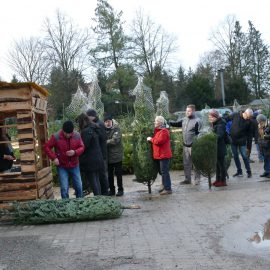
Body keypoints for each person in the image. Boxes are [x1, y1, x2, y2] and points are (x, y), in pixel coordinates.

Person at [44, 120, 84, 199]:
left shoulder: (77, 135)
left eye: (70, 133)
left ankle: (80, 204)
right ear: (63, 130)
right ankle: (65, 206)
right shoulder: (56, 136)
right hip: (62, 166)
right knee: (64, 188)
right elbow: (46, 147)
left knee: (79, 186)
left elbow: (82, 147)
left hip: (74, 165)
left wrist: (75, 152)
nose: (68, 135)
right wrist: (54, 158)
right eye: (66, 133)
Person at [169, 104, 202, 185]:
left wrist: (198, 144)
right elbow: (175, 123)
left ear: (193, 111)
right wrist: (167, 121)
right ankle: (187, 179)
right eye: (186, 111)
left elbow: (200, 134)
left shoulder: (198, 121)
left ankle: (197, 179)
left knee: (196, 163)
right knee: (186, 163)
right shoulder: (184, 120)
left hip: (194, 146)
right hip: (185, 146)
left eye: (189, 111)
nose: (187, 112)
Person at [76, 113, 105, 196]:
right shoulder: (94, 128)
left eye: (79, 122)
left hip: (90, 159)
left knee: (93, 181)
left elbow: (84, 146)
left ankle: (98, 198)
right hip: (98, 157)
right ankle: (100, 198)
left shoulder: (86, 131)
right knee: (96, 179)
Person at [147, 116, 172, 195]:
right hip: (160, 155)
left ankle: (168, 189)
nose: (154, 122)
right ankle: (165, 186)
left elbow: (159, 141)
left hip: (163, 155)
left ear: (160, 123)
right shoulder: (158, 131)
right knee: (163, 172)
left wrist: (150, 139)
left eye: (156, 121)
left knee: (165, 172)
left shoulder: (164, 131)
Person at [86, 109, 109, 195]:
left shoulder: (99, 124)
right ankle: (104, 192)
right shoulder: (98, 123)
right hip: (100, 153)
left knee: (102, 174)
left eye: (88, 117)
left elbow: (102, 137)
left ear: (92, 116)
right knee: (100, 174)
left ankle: (105, 193)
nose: (87, 119)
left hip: (101, 153)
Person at [225, 108, 253, 178]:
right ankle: (239, 171)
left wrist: (249, 147)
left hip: (242, 141)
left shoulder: (249, 122)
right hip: (233, 140)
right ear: (245, 113)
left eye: (250, 117)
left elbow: (249, 135)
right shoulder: (235, 115)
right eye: (248, 117)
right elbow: (226, 118)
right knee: (235, 156)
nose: (249, 118)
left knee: (244, 156)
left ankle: (249, 172)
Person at [104, 114, 124, 196]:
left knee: (118, 174)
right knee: (109, 175)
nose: (107, 123)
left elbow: (115, 140)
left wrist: (104, 142)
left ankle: (120, 190)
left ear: (111, 121)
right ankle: (112, 190)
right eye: (105, 122)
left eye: (108, 121)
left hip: (117, 156)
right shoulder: (103, 130)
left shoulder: (117, 129)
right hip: (108, 157)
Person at [208, 109, 227, 187]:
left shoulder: (220, 125)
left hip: (220, 148)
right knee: (217, 165)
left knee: (221, 165)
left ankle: (223, 181)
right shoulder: (215, 124)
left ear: (215, 117)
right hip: (216, 148)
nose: (210, 119)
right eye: (209, 117)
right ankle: (218, 179)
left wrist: (210, 137)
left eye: (211, 117)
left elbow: (219, 136)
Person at [256, 114, 270, 178]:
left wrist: (265, 136)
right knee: (265, 159)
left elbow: (265, 135)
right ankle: (266, 171)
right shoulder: (260, 125)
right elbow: (259, 135)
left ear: (262, 120)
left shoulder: (268, 125)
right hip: (263, 145)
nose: (258, 123)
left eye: (259, 121)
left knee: (268, 159)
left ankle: (269, 171)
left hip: (268, 145)